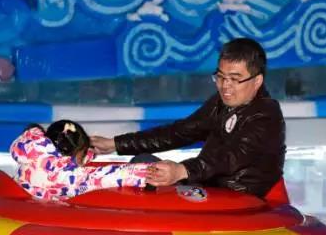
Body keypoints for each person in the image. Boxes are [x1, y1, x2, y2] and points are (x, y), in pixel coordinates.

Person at [90, 38, 286, 198]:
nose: (225, 86)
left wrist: (182, 170)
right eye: (220, 77)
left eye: (234, 79)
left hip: (237, 199)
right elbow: (179, 132)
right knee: (144, 163)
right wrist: (115, 144)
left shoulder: (267, 116)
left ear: (257, 81)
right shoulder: (221, 104)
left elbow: (229, 157)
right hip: (206, 187)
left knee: (153, 178)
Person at [10, 120, 150, 200]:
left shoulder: (34, 153)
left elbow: (71, 162)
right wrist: (146, 172)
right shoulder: (62, 177)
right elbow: (100, 178)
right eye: (82, 154)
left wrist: (90, 152)